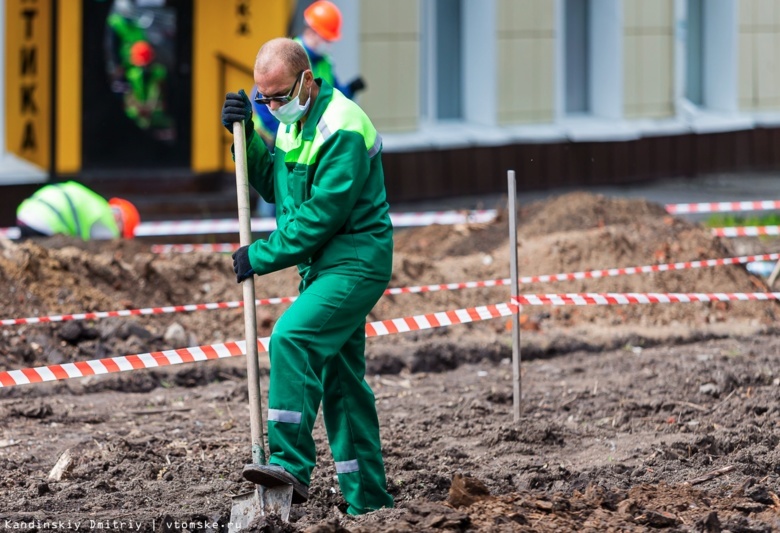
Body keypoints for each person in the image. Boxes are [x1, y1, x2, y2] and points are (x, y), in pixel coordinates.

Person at [221, 37, 394, 515]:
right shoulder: (295, 124)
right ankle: (371, 504)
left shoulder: (343, 126)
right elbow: (276, 186)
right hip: (322, 267)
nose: (274, 106)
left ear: (308, 81)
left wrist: (261, 254)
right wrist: (246, 135)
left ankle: (290, 464)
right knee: (342, 384)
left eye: (279, 96)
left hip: (356, 261)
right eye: (265, 99)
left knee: (292, 338)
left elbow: (321, 216)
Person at [250, 0, 366, 218]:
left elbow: (332, 95)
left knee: (300, 194)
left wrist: (350, 89)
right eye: (326, 37)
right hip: (278, 135)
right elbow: (264, 101)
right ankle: (268, 231)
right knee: (279, 188)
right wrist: (282, 130)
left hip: (311, 136)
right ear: (312, 31)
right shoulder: (286, 57)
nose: (328, 43)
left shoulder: (323, 61)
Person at [16, 181, 141, 240]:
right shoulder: (107, 223)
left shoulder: (97, 205)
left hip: (26, 212)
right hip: (47, 222)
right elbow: (102, 249)